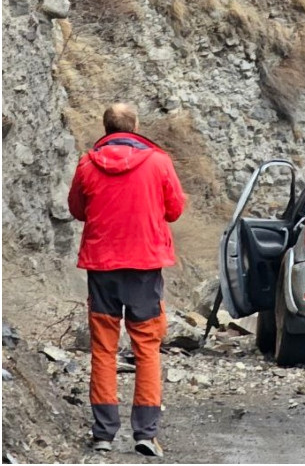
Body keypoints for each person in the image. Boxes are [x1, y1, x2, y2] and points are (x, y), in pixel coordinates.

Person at [68, 103, 186, 457]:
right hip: (145, 268)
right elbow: (174, 210)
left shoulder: (87, 164)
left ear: (106, 128)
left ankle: (103, 434)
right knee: (146, 347)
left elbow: (77, 210)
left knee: (103, 348)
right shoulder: (158, 162)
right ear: (134, 127)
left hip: (102, 267)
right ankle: (145, 434)